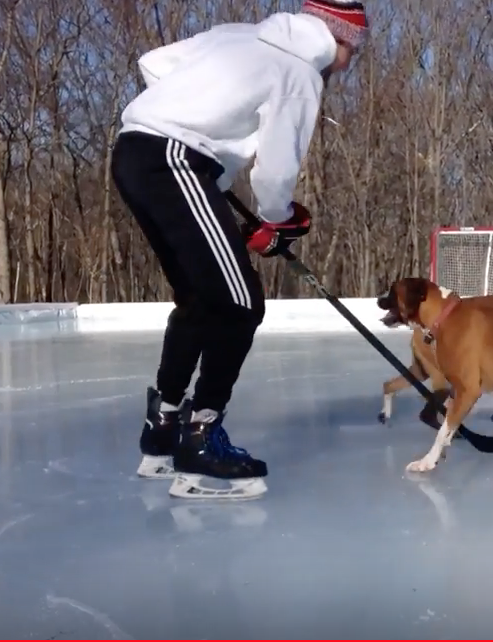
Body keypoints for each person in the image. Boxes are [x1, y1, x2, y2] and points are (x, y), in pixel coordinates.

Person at [110, 0, 369, 499]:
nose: (348, 64)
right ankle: (201, 441)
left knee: (202, 301)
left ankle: (163, 430)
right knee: (241, 302)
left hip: (137, 154)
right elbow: (274, 172)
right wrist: (277, 221)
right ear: (338, 38)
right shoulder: (300, 73)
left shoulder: (237, 35)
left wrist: (197, 115)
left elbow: (154, 64)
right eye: (351, 52)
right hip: (175, 160)